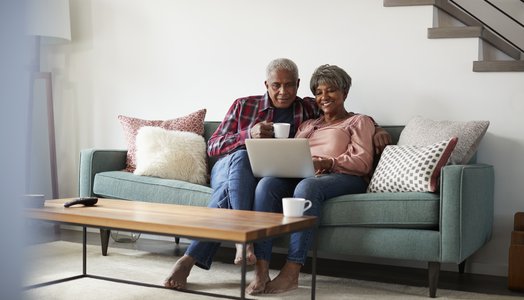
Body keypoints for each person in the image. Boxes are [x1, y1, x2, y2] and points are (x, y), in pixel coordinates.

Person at [164, 58, 391, 290]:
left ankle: (230, 257)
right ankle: (251, 254)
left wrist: (377, 128)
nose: (283, 91)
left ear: (298, 84)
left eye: (290, 85)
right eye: (276, 85)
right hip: (231, 164)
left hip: (310, 174)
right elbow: (213, 146)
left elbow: (351, 122)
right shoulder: (249, 106)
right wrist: (248, 135)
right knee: (249, 167)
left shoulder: (309, 109)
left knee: (273, 184)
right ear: (266, 84)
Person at [246, 64, 375, 295]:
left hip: (344, 177)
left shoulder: (358, 122)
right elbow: (293, 153)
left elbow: (363, 162)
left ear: (344, 93)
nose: (324, 97)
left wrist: (327, 163)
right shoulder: (307, 125)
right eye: (318, 92)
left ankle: (292, 272)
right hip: (305, 175)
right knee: (267, 184)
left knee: (308, 186)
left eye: (331, 91)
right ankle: (261, 267)